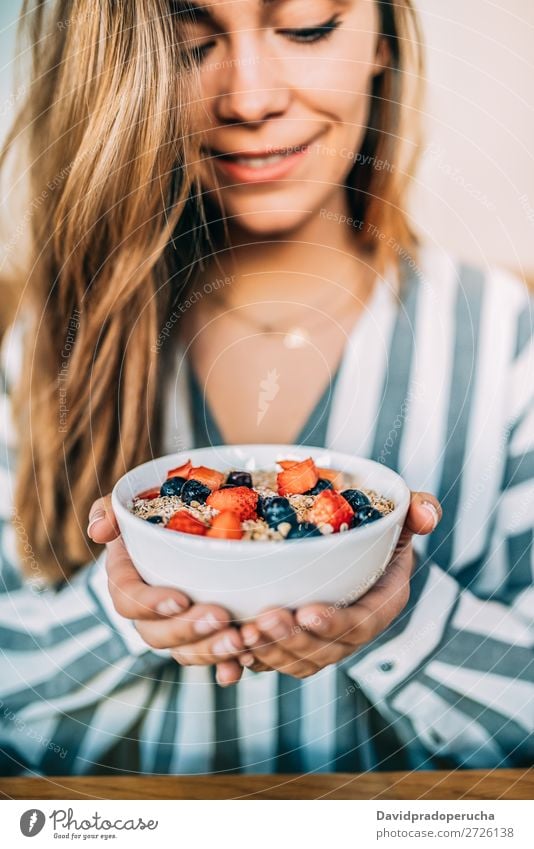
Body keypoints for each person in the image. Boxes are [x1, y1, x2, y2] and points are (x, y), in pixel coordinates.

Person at [0, 0, 532, 777]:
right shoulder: (55, 341)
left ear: (383, 39)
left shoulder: (504, 337)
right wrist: (122, 610)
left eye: (309, 27)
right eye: (190, 45)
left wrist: (405, 620)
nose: (250, 99)